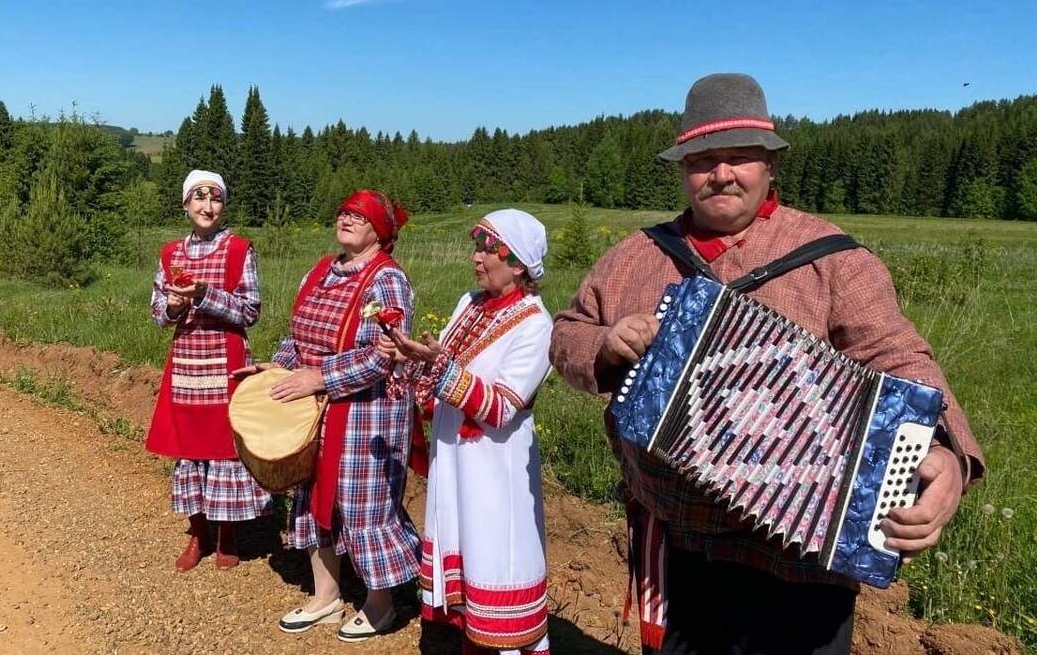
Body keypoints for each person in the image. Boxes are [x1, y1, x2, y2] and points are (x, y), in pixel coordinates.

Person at [549, 73, 985, 655]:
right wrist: (601, 347)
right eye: (703, 159)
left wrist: (948, 452)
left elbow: (899, 355)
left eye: (740, 158)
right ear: (682, 170)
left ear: (770, 166)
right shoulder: (634, 257)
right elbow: (566, 333)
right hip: (677, 545)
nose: (721, 173)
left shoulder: (832, 259)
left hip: (802, 560)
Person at [235, 190, 423, 643]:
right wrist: (278, 369)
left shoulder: (387, 281)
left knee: (363, 505)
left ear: (379, 231)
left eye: (358, 216)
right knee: (313, 494)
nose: (346, 219)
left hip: (368, 413)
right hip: (315, 406)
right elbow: (297, 335)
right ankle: (326, 596)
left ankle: (382, 605)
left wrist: (317, 378)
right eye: (342, 212)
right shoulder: (321, 270)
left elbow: (384, 359)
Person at [379, 209, 553, 655]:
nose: (477, 258)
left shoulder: (537, 324)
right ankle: (458, 635)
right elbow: (442, 368)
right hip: (454, 456)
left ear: (518, 264)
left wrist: (437, 365)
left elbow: (500, 407)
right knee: (458, 540)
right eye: (477, 247)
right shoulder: (468, 303)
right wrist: (409, 357)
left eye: (488, 249)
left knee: (494, 553)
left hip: (496, 467)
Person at [146, 169, 272, 572]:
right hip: (186, 363)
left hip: (227, 360)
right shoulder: (169, 255)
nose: (207, 207)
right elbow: (157, 312)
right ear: (185, 205)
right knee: (189, 447)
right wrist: (174, 307)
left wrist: (205, 294)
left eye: (215, 199)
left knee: (224, 448)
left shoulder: (238, 250)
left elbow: (250, 311)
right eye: (199, 200)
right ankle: (198, 534)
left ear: (223, 204)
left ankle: (227, 536)